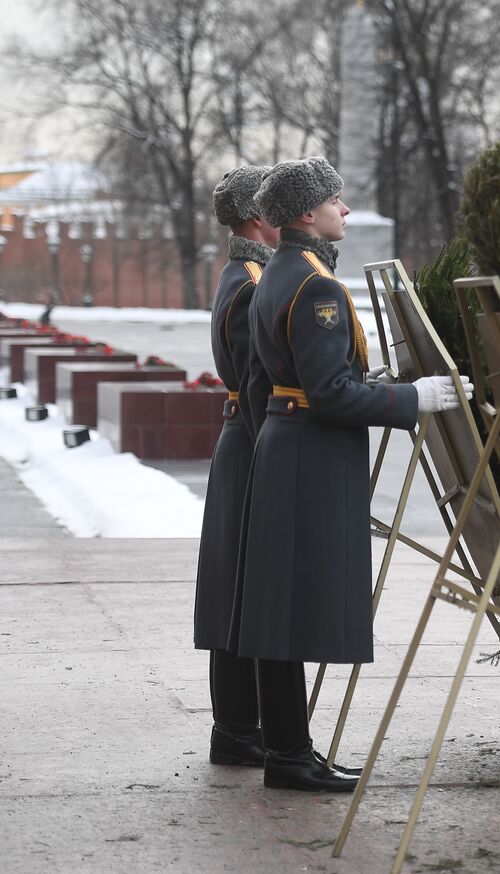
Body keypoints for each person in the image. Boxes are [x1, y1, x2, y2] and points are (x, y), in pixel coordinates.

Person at [228, 156, 470, 791]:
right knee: (293, 609)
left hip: (288, 446)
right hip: (311, 453)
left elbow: (269, 384)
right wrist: (412, 399)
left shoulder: (279, 272)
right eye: (336, 200)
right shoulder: (317, 287)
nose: (346, 210)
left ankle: (288, 751)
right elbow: (330, 394)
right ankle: (287, 756)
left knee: (279, 610)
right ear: (307, 214)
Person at [193, 165, 276, 767]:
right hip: (252, 447)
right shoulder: (252, 282)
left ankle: (240, 727)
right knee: (245, 591)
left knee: (238, 589)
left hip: (242, 444)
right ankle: (240, 730)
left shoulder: (248, 274)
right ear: (256, 216)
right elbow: (256, 388)